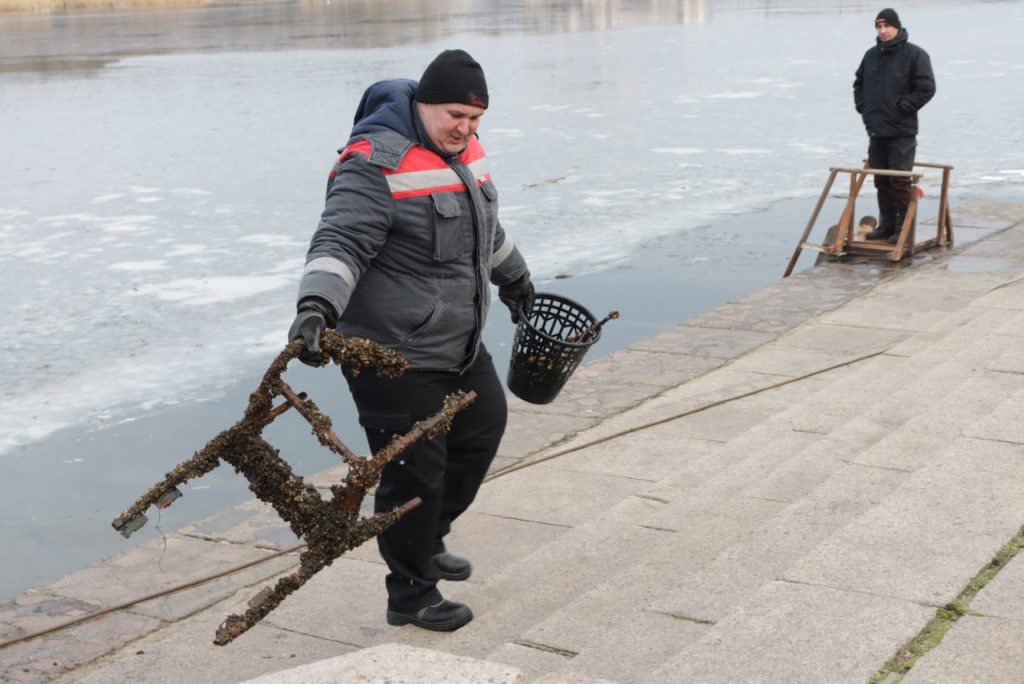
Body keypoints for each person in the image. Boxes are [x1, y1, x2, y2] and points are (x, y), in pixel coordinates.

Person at [288, 49, 534, 632]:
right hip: (391, 352)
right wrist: (316, 307)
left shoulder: (466, 151)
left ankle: (425, 537)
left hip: (458, 341)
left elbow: (485, 229)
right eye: (455, 115)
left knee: (482, 431)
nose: (466, 129)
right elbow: (341, 239)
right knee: (413, 474)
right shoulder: (375, 162)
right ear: (422, 103)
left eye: (476, 120)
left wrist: (516, 276)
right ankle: (411, 594)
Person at [853, 8, 935, 244]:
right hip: (876, 129)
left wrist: (905, 106)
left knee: (899, 180)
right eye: (879, 27)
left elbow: (927, 88)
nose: (883, 31)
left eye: (887, 26)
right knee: (881, 179)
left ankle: (903, 228)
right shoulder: (871, 56)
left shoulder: (915, 55)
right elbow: (858, 83)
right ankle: (887, 225)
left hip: (901, 131)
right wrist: (864, 108)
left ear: (897, 27)